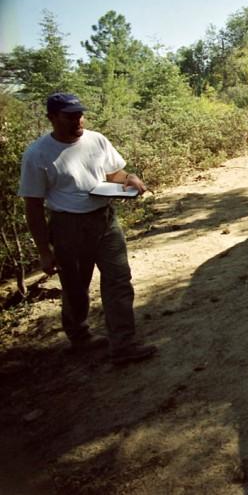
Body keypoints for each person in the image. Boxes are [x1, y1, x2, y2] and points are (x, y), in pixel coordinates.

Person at [18, 93, 157, 364]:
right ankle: (79, 336)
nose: (78, 120)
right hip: (67, 226)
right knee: (76, 288)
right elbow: (33, 206)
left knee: (118, 280)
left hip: (104, 219)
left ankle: (123, 345)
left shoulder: (96, 140)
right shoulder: (37, 154)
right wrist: (44, 251)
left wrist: (129, 178)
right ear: (52, 118)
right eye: (69, 116)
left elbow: (113, 173)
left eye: (80, 114)